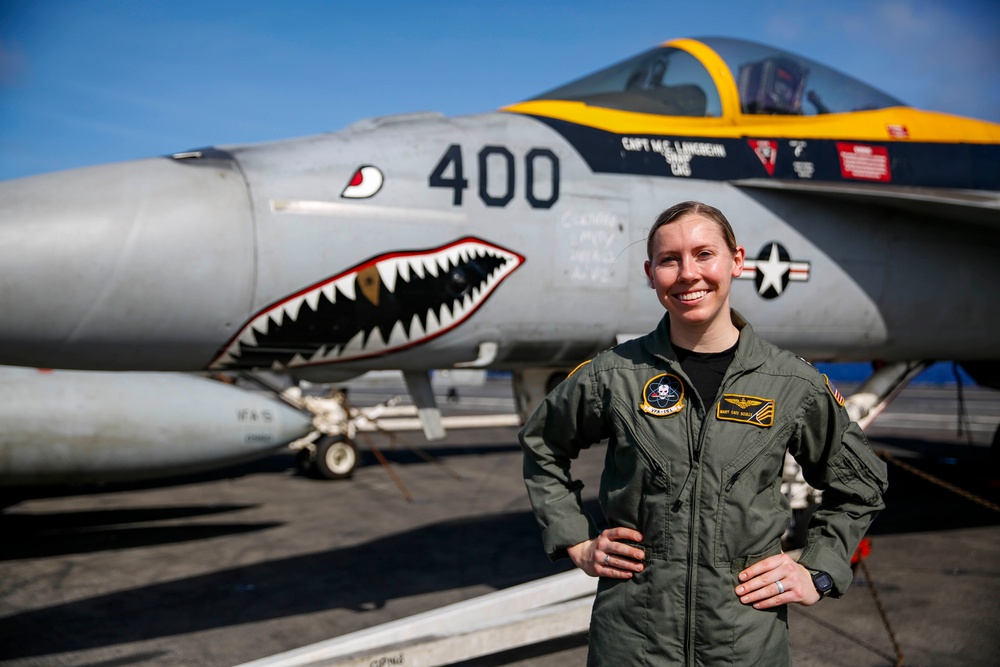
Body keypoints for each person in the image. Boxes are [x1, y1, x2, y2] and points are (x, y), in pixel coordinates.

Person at [520, 201, 888, 665]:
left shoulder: (791, 384)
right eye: (670, 260)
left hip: (744, 643)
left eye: (704, 254)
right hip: (632, 642)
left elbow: (862, 485)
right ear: (651, 273)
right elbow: (542, 444)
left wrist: (816, 569)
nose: (688, 273)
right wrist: (576, 539)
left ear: (736, 261)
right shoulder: (613, 375)